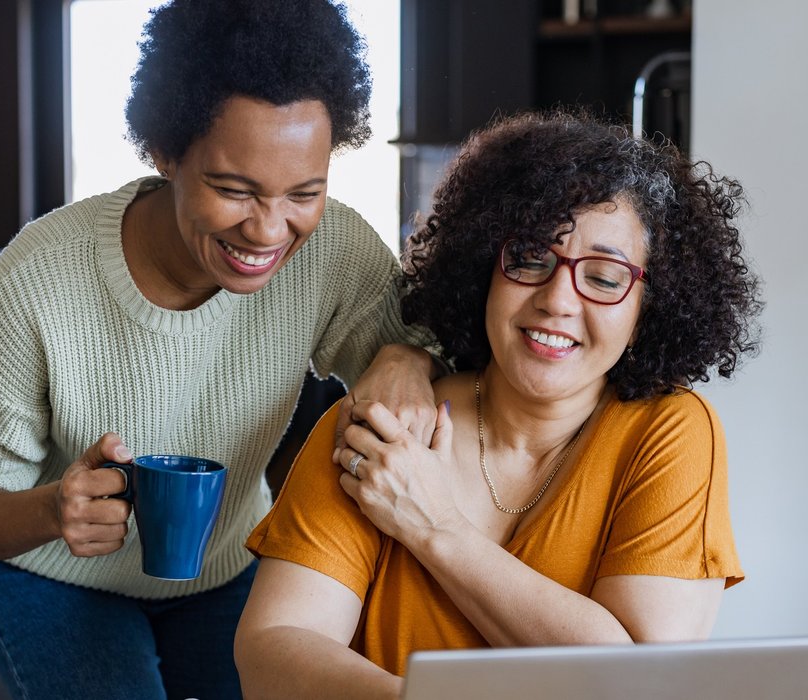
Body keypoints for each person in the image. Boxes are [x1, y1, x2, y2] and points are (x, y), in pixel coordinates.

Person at [0, 1, 440, 698]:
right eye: (232, 189)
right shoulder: (35, 283)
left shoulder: (334, 250)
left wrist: (406, 356)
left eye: (304, 192)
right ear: (163, 150)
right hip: (48, 571)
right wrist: (50, 510)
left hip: (224, 564)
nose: (269, 230)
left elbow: (428, 342)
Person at [235, 110, 764, 699]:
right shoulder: (383, 425)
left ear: (648, 308)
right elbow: (273, 650)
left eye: (605, 277)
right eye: (530, 258)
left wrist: (435, 527)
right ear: (484, 267)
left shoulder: (670, 433)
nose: (558, 300)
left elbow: (640, 684)